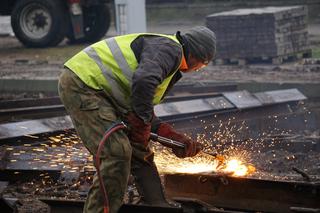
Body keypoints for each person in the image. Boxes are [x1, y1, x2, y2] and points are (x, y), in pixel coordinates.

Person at [58, 26, 216, 213]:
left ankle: (156, 204)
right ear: (197, 56)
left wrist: (171, 136)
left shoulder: (169, 58)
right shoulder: (170, 49)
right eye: (202, 66)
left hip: (104, 92)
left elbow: (141, 107)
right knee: (117, 152)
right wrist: (142, 123)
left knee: (139, 150)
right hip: (84, 83)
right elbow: (144, 81)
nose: (198, 69)